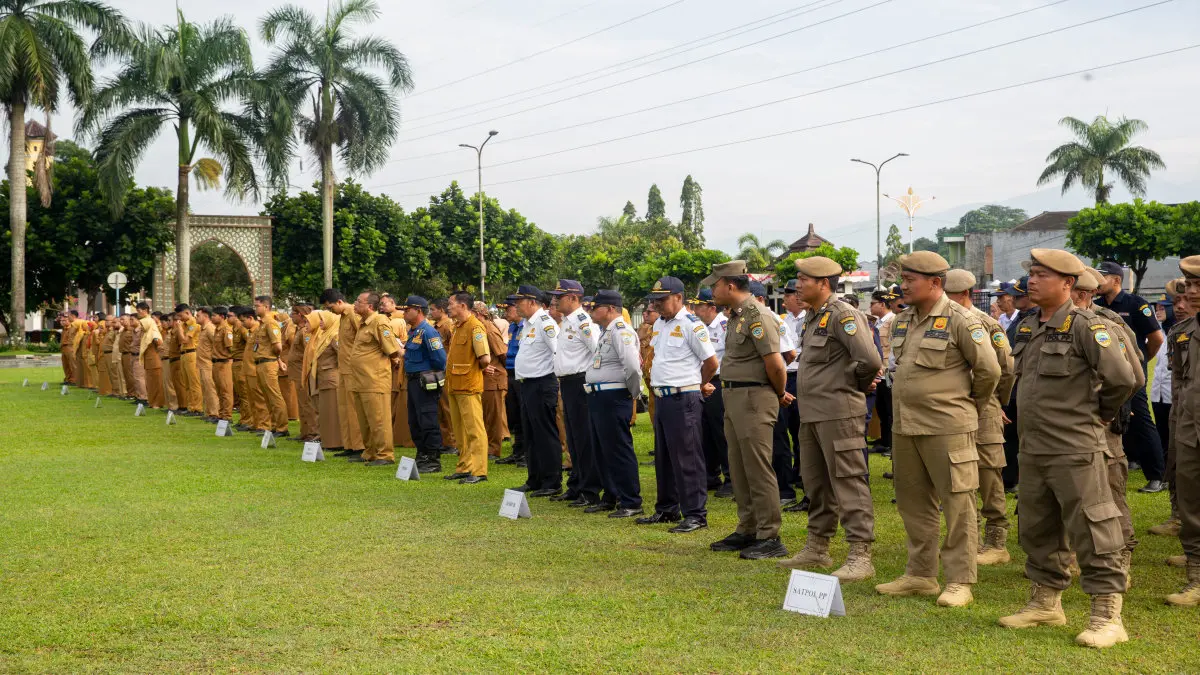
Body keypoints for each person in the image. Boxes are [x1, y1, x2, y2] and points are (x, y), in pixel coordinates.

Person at [998, 249, 1135, 648]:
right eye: (1032, 274)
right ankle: (1045, 602)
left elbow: (1122, 378)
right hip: (1035, 447)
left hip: (1076, 446)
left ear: (1067, 284)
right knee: (1038, 527)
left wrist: (1100, 415)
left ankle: (1107, 615)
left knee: (1093, 529)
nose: (1032, 281)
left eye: (1042, 274)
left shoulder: (1086, 326)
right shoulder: (1029, 328)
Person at [876, 252, 1000, 609]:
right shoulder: (902, 320)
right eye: (903, 278)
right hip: (906, 426)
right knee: (914, 504)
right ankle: (920, 573)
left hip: (947, 426)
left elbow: (989, 371)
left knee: (958, 504)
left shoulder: (962, 319)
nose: (903, 285)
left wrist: (966, 406)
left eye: (910, 279)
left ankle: (960, 579)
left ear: (935, 283)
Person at [778, 256, 881, 577]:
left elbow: (869, 360)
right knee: (816, 483)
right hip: (812, 414)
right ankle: (817, 548)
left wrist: (853, 388)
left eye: (803, 279)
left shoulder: (843, 315)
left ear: (823, 283)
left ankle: (860, 555)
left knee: (849, 482)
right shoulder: (813, 316)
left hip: (839, 414)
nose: (797, 285)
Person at [701, 263, 787, 557]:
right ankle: (747, 527)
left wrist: (776, 394)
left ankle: (769, 535)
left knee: (758, 467)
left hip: (754, 396)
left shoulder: (758, 315)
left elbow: (776, 364)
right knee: (738, 467)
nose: (712, 291)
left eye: (715, 285)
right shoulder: (736, 316)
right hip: (735, 395)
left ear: (730, 285)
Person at [1073, 267, 1144, 588]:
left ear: (1082, 293)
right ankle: (1074, 554)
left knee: (1110, 490)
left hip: (1103, 425)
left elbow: (1133, 376)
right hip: (1066, 427)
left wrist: (1105, 412)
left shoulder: (1108, 324)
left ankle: (1122, 552)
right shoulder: (1050, 323)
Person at [944, 270, 1016, 566]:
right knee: (958, 472)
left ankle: (996, 540)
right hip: (953, 407)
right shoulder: (940, 322)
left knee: (988, 471)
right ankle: (967, 538)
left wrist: (996, 401)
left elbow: (1006, 367)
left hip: (983, 406)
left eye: (950, 297)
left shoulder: (986, 324)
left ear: (967, 295)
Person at [636, 276, 717, 534]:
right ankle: (667, 508)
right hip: (663, 397)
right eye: (655, 300)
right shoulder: (659, 324)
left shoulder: (692, 325)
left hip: (684, 396)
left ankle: (695, 513)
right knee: (665, 457)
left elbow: (711, 362)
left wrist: (698, 383)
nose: (657, 305)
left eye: (663, 299)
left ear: (679, 298)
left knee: (688, 457)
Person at [1093, 261, 1166, 493]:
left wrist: (1141, 361)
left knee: (1141, 419)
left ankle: (1157, 475)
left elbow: (1156, 339)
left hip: (1131, 374)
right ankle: (1129, 458)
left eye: (1102, 276)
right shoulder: (1097, 306)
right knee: (1113, 416)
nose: (1097, 281)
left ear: (1116, 280)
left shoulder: (1136, 304)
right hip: (1105, 373)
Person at [584, 289, 645, 517]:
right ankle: (611, 495)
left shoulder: (621, 331)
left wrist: (632, 395)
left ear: (610, 309)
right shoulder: (606, 331)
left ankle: (631, 500)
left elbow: (631, 366)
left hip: (614, 396)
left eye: (595, 307)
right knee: (602, 449)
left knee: (619, 450)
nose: (591, 311)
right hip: (600, 396)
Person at [548, 280, 601, 506]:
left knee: (583, 438)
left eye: (560, 296)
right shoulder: (566, 322)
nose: (555, 300)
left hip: (581, 383)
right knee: (572, 437)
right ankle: (576, 485)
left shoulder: (583, 322)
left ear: (573, 298)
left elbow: (598, 352)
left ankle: (589, 490)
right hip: (568, 384)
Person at [1168, 257, 1200, 606]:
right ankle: (1196, 578)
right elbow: (1181, 385)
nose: (1191, 292)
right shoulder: (1183, 333)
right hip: (1190, 431)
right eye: (1189, 285)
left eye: (1198, 286)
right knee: (1192, 508)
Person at [512, 286, 564, 497]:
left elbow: (557, 351)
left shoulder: (545, 323)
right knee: (530, 434)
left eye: (520, 301)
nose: (516, 305)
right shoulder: (527, 324)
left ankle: (552, 481)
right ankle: (535, 478)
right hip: (527, 384)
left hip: (542, 384)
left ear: (532, 302)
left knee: (545, 433)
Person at [437, 292, 491, 483]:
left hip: (468, 385)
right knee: (460, 430)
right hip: (455, 385)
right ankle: (464, 466)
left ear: (462, 306)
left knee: (474, 430)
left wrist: (474, 371)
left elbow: (484, 358)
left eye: (451, 303)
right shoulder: (458, 326)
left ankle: (479, 470)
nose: (448, 307)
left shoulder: (475, 327)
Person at [341, 291, 400, 465]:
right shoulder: (362, 323)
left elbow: (392, 349)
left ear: (370, 306)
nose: (355, 304)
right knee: (365, 419)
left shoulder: (379, 321)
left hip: (375, 379)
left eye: (359, 301)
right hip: (360, 380)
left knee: (378, 419)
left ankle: (384, 455)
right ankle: (370, 452)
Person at [1152, 281, 1191, 540]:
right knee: (1176, 464)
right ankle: (1179, 517)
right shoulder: (1176, 331)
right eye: (1174, 303)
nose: (1179, 307)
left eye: (1184, 301)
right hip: (1176, 406)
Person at [691, 288, 731, 495]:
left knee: (721, 431)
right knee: (704, 431)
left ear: (711, 307)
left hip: (718, 381)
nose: (695, 310)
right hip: (701, 382)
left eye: (699, 306)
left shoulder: (724, 326)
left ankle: (731, 477)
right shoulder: (699, 327)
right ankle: (711, 475)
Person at [403, 297, 448, 473]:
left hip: (425, 381)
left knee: (428, 419)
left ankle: (433, 458)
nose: (404, 312)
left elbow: (440, 360)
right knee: (414, 421)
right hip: (413, 381)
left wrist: (429, 374)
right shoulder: (414, 332)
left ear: (419, 310)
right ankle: (422, 454)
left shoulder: (428, 332)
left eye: (408, 309)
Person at [323, 289, 367, 458]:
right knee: (344, 408)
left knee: (354, 409)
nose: (330, 311)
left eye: (330, 307)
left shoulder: (354, 315)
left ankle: (359, 447)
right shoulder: (342, 317)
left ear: (340, 302)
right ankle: (349, 444)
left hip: (353, 368)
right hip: (343, 368)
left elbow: (362, 341)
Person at [1001, 277, 1036, 490]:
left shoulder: (1034, 319)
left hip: (1027, 384)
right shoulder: (1020, 318)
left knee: (1027, 437)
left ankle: (1022, 479)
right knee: (1011, 435)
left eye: (1019, 296)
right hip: (1013, 385)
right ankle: (1010, 478)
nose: (1014, 299)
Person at [305, 307, 345, 456]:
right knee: (326, 412)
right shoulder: (325, 335)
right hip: (324, 378)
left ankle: (336, 442)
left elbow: (341, 356)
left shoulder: (334, 336)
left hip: (332, 378)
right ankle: (328, 440)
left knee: (333, 412)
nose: (320, 322)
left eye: (322, 319)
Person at [474, 302, 509, 459]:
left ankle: (494, 450)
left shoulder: (488, 329)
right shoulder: (479, 328)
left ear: (479, 314)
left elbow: (502, 354)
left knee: (493, 417)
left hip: (493, 378)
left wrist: (500, 371)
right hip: (484, 377)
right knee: (485, 416)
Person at [252, 297, 290, 437]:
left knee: (274, 396)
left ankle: (282, 427)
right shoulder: (262, 324)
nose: (256, 308)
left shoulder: (271, 323)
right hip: (262, 363)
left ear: (266, 307)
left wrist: (276, 359)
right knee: (267, 397)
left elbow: (278, 346)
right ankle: (274, 425)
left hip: (268, 363)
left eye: (258, 306)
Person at [380, 294, 414, 449]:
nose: (381, 306)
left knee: (398, 403)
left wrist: (397, 357)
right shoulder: (392, 320)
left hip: (400, 367)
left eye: (384, 303)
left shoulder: (396, 321)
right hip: (399, 367)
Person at [496, 296, 526, 466]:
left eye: (508, 308)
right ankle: (517, 451)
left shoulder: (525, 326)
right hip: (510, 372)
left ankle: (525, 453)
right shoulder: (513, 327)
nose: (506, 312)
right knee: (514, 415)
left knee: (524, 415)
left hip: (521, 374)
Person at [286, 303, 319, 441]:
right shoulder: (299, 329)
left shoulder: (305, 331)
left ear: (300, 315)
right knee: (302, 403)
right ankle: (304, 432)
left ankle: (312, 432)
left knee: (307, 403)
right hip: (296, 371)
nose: (291, 316)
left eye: (293, 313)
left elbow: (309, 350)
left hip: (302, 371)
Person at [430, 298, 459, 456]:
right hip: (438, 371)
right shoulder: (436, 326)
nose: (431, 312)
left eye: (433, 309)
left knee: (447, 408)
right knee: (440, 408)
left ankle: (452, 442)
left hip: (447, 370)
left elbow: (453, 347)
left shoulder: (448, 325)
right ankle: (445, 440)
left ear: (441, 310)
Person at [869, 289, 896, 454]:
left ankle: (890, 443)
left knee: (889, 409)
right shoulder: (877, 322)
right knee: (881, 408)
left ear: (882, 304)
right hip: (878, 371)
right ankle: (884, 440)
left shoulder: (893, 320)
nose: (870, 307)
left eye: (873, 304)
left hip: (887, 371)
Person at [638, 305, 659, 465]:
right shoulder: (645, 329)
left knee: (659, 416)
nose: (645, 314)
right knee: (653, 413)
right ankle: (659, 448)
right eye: (644, 311)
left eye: (649, 311)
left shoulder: (662, 329)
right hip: (649, 379)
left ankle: (660, 451)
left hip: (660, 381)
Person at [173, 304, 203, 416]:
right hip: (184, 354)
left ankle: (197, 408)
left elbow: (184, 340)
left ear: (187, 313)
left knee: (194, 383)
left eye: (180, 315)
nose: (179, 318)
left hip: (191, 353)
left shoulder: (193, 324)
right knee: (186, 383)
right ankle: (191, 407)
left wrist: (180, 328)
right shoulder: (185, 325)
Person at [136, 302, 165, 409]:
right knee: (150, 383)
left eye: (142, 325)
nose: (141, 327)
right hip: (149, 361)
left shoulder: (153, 333)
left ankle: (158, 403)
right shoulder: (146, 334)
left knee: (156, 383)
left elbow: (160, 345)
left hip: (155, 361)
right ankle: (152, 402)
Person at [209, 307, 234, 424]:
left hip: (224, 363)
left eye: (214, 315)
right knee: (219, 390)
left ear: (222, 317)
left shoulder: (226, 329)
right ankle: (222, 414)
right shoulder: (217, 329)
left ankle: (227, 416)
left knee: (226, 391)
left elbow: (231, 348)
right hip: (216, 363)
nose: (212, 317)